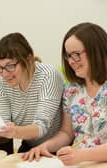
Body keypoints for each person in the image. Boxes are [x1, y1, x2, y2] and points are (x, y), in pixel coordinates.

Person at [22, 22, 107, 165]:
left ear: (96, 50)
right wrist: (45, 146)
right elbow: (67, 133)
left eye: (76, 55)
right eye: (68, 56)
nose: (71, 62)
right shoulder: (72, 91)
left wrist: (81, 155)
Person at [0, 32, 64, 153]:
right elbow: (2, 124)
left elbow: (41, 126)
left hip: (56, 146)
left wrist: (15, 131)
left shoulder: (48, 75)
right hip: (29, 146)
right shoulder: (2, 82)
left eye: (10, 66)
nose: (4, 74)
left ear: (28, 59)